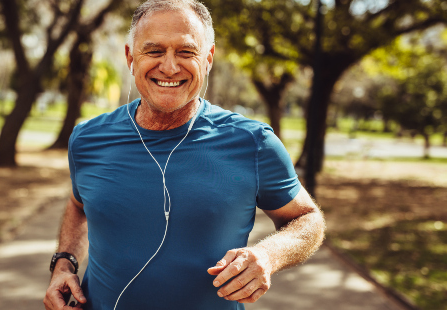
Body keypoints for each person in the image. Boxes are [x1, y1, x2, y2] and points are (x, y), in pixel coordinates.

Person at [44, 0, 325, 309]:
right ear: (130, 58)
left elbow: (307, 219)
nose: (169, 66)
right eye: (153, 51)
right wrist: (64, 265)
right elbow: (79, 204)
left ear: (208, 59)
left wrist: (268, 256)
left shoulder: (253, 142)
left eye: (186, 52)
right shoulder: (87, 139)